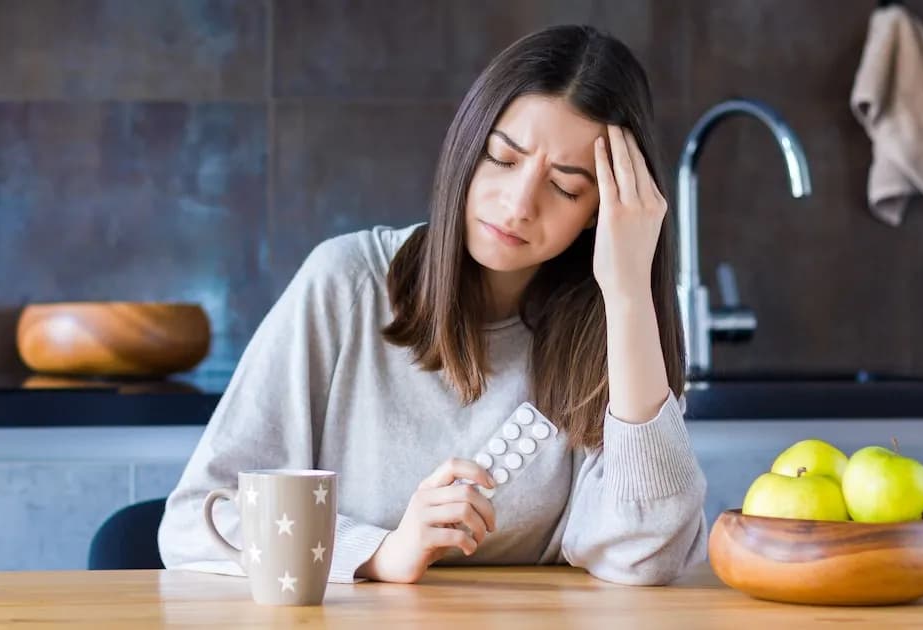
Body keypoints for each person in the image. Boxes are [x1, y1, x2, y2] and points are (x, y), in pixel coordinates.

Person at [159, 24, 707, 586]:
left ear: (602, 210)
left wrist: (629, 296)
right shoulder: (347, 283)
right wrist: (382, 553)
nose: (518, 205)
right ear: (467, 147)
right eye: (501, 158)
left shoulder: (618, 330)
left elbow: (644, 557)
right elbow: (198, 518)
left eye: (565, 187)